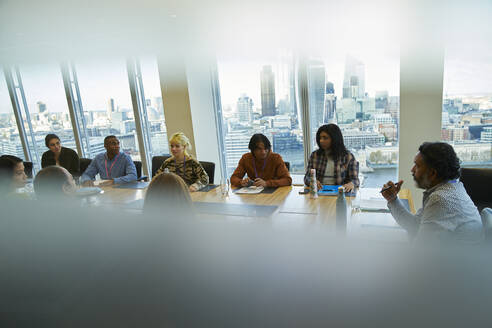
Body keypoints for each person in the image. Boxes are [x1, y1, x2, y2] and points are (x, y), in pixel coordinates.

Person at [381, 142, 483, 243]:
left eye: (417, 166)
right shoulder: (451, 188)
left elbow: (423, 252)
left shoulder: (441, 199)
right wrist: (392, 199)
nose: (412, 170)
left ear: (433, 173)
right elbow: (415, 226)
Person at [304, 124, 359, 192]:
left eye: (325, 138)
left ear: (334, 139)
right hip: (319, 193)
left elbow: (355, 180)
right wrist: (312, 181)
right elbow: (307, 178)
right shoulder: (315, 155)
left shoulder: (348, 157)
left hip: (340, 194)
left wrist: (351, 184)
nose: (321, 141)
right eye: (320, 138)